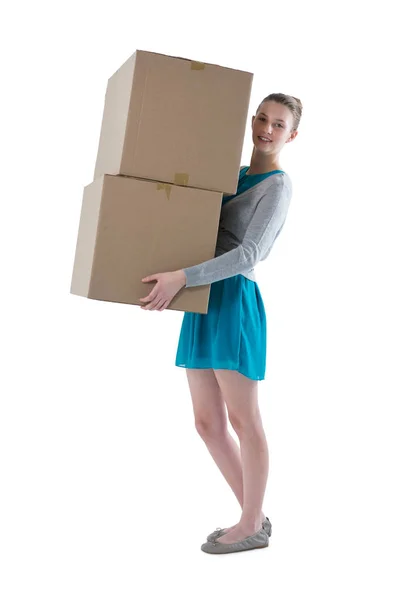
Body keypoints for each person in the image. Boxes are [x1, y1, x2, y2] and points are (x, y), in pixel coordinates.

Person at [139, 93, 302, 554]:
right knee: (208, 423)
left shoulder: (277, 186)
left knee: (243, 419)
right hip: (200, 299)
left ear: (292, 135)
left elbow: (251, 253)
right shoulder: (231, 176)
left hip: (233, 300)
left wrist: (182, 277)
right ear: (253, 121)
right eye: (263, 119)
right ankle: (256, 516)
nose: (267, 130)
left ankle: (249, 524)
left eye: (279, 125)